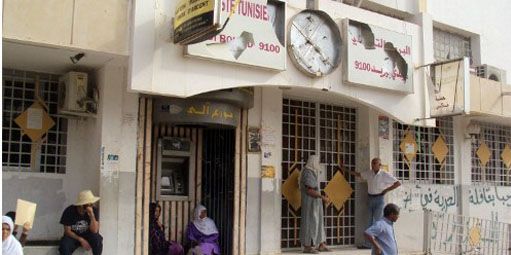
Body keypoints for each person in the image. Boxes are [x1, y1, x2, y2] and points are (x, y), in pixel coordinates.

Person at [340, 157, 400, 249]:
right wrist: (345, 170)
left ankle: (382, 243)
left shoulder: (384, 174)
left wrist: (386, 190)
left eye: (374, 163)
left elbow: (397, 183)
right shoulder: (369, 173)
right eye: (372, 163)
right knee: (369, 221)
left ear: (379, 165)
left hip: (379, 199)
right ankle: (368, 244)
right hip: (370, 198)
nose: (372, 165)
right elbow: (358, 174)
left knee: (378, 222)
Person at [299, 155, 331, 253]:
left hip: (315, 203)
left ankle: (321, 244)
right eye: (317, 162)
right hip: (310, 203)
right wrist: (323, 198)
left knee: (319, 222)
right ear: (313, 162)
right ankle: (307, 246)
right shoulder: (307, 172)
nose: (318, 164)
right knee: (309, 223)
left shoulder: (312, 172)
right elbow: (310, 190)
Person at [59, 190, 103, 255]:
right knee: (64, 245)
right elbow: (67, 231)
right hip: (73, 236)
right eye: (89, 205)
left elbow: (95, 230)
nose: (91, 206)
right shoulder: (69, 211)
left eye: (92, 204)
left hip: (88, 236)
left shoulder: (93, 211)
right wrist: (81, 240)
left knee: (97, 240)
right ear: (81, 205)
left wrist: (91, 215)